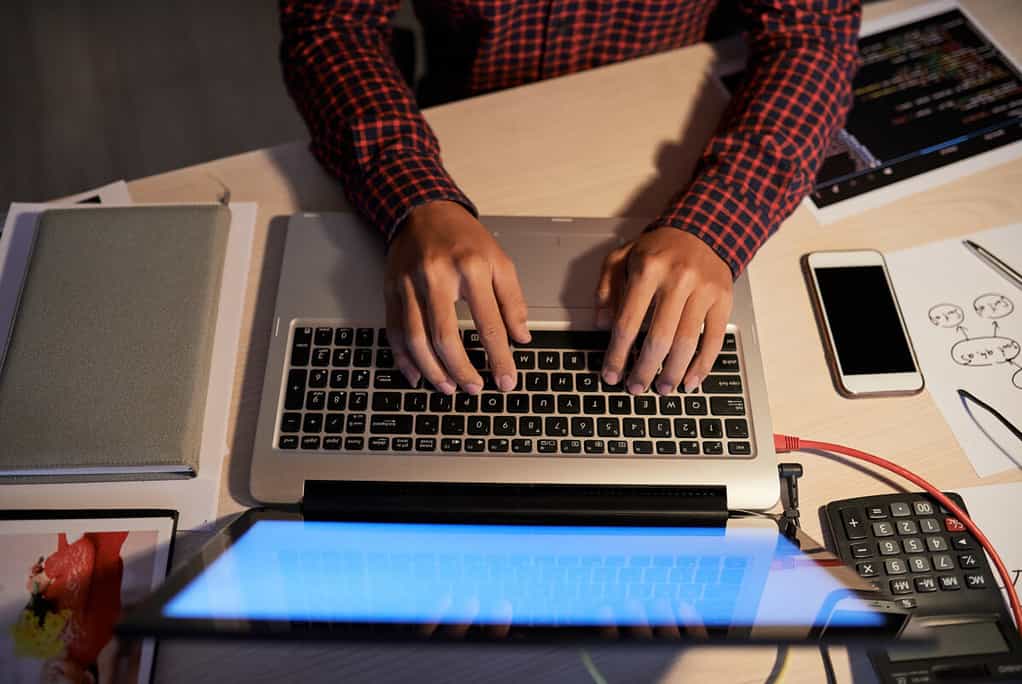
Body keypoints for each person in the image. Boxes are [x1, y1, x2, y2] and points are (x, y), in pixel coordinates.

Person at [279, 0, 860, 396]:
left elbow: (812, 32)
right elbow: (331, 22)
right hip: (464, 122)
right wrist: (412, 194)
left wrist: (719, 218)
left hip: (659, 117)